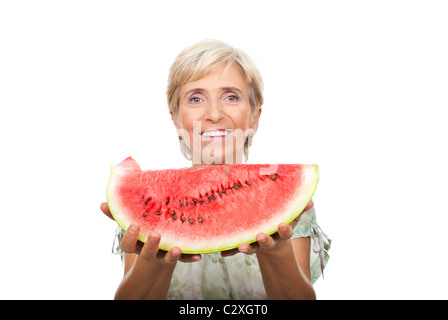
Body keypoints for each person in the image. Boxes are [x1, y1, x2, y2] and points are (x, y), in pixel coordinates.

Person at [100, 39, 330, 300]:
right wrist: (153, 261)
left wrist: (276, 252)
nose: (214, 113)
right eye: (196, 98)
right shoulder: (149, 205)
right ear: (175, 117)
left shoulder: (295, 210)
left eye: (231, 97)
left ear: (254, 115)